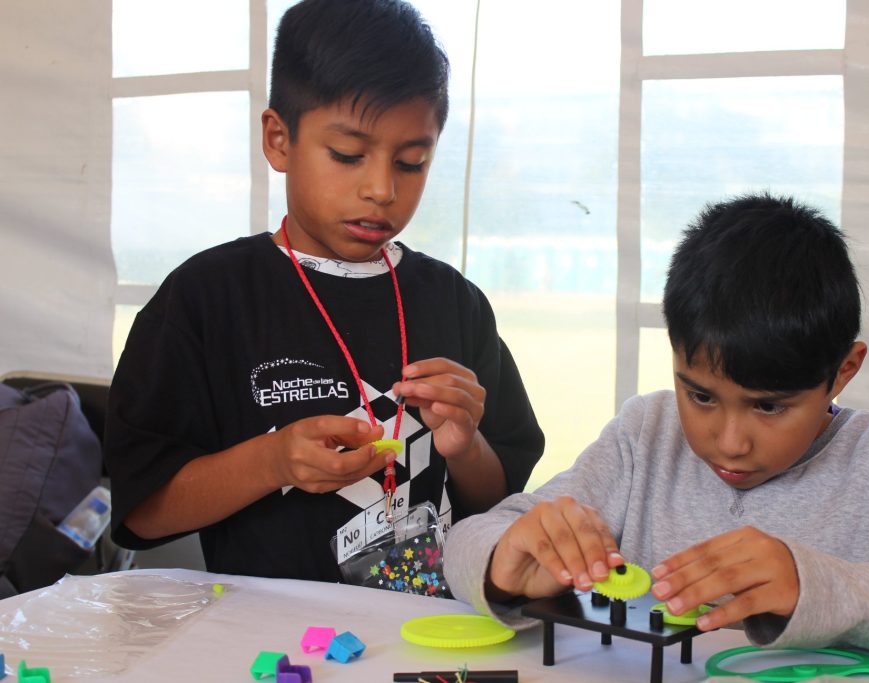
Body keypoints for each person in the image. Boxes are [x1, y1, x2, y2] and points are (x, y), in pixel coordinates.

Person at [443, 192, 869, 657]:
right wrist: (503, 564)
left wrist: (821, 588)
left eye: (769, 406)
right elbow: (470, 543)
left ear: (843, 371)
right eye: (699, 395)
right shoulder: (645, 437)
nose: (728, 441)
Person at [103, 0, 544, 584]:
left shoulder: (455, 302)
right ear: (279, 139)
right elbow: (143, 512)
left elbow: (499, 498)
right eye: (347, 155)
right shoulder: (206, 300)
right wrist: (272, 460)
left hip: (429, 639)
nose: (381, 189)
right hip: (275, 654)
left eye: (411, 162)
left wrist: (464, 448)